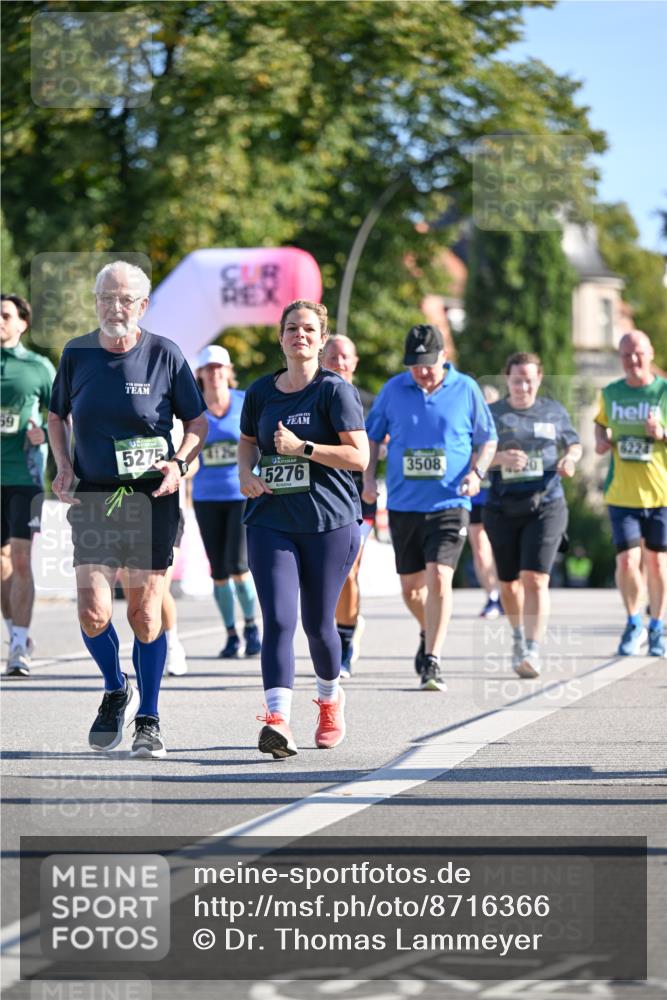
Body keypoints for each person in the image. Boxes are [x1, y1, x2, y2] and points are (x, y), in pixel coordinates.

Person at [47, 261, 207, 757]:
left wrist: (179, 463)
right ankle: (117, 688)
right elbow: (56, 416)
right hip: (95, 496)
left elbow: (197, 423)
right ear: (95, 302)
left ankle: (149, 717)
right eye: (105, 298)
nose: (114, 307)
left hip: (151, 497)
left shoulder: (165, 354)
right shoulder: (76, 353)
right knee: (94, 612)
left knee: (144, 615)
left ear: (142, 305)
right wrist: (63, 464)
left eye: (124, 299)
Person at [238, 300, 368, 758]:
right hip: (270, 520)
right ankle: (277, 721)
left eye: (309, 329)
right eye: (292, 328)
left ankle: (330, 702)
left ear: (321, 337)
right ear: (281, 337)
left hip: (328, 521)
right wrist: (245, 474)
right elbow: (247, 442)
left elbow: (359, 457)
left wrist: (304, 448)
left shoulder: (334, 391)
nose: (300, 335)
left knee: (317, 624)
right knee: (277, 620)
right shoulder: (260, 391)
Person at [363, 324, 497, 692]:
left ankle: (433, 660)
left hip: (450, 501)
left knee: (439, 576)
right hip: (404, 504)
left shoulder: (466, 389)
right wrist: (368, 478)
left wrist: (477, 473)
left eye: (428, 364)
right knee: (411, 589)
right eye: (414, 365)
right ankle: (428, 628)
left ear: (444, 357)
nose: (421, 371)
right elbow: (371, 437)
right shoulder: (393, 390)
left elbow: (488, 439)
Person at [484, 352, 582, 678]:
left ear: (539, 378)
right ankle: (517, 636)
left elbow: (574, 444)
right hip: (502, 507)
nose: (523, 386)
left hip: (546, 504)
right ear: (507, 380)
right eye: (516, 380)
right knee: (509, 585)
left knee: (536, 578)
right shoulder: (492, 414)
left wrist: (569, 460)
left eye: (528, 380)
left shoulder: (553, 411)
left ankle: (532, 649)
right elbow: (472, 455)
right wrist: (500, 459)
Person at [594, 329, 667, 656]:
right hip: (622, 493)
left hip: (660, 493)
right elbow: (600, 422)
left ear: (650, 354)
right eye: (626, 355)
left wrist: (661, 433)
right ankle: (634, 620)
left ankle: (657, 626)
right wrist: (600, 438)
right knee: (626, 562)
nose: (632, 360)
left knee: (657, 564)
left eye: (638, 353)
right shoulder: (611, 392)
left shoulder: (664, 391)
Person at [192, 344, 261, 659]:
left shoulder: (245, 402)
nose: (214, 374)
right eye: (209, 369)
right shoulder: (193, 409)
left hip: (240, 496)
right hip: (206, 497)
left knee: (238, 565)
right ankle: (231, 634)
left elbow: (258, 442)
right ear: (200, 374)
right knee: (218, 570)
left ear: (229, 371)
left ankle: (252, 626)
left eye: (219, 367)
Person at [1, 293, 56, 677]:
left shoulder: (38, 367)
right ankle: (16, 634)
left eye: (5, 315)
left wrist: (45, 437)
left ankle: (19, 645)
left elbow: (62, 416)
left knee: (20, 557)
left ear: (22, 323)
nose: (0, 321)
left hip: (25, 477)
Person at [321, 334, 376, 678]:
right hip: (322, 499)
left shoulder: (367, 403)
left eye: (345, 356)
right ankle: (344, 623)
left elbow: (379, 444)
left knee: (349, 570)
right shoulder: (312, 397)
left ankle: (344, 642)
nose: (339, 362)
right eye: (333, 356)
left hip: (359, 500)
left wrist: (371, 480)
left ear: (355, 362)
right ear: (323, 360)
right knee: (328, 577)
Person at [469, 384, 503, 619]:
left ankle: (507, 592)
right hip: (476, 496)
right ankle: (492, 596)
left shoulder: (505, 428)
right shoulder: (468, 428)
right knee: (481, 550)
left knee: (503, 548)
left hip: (501, 495)